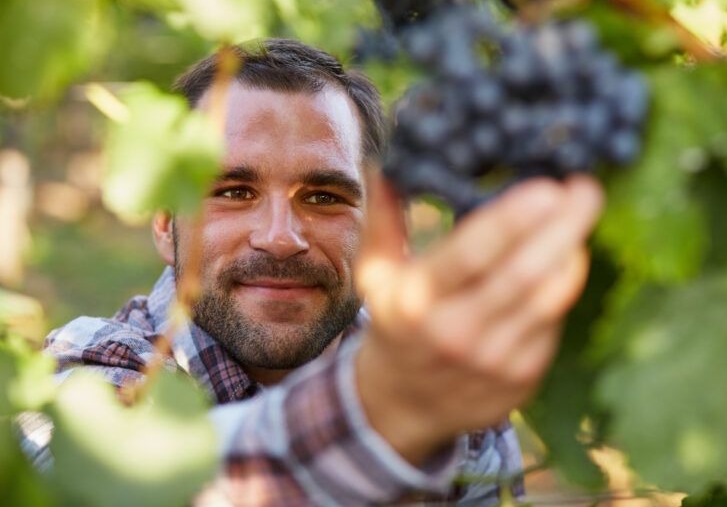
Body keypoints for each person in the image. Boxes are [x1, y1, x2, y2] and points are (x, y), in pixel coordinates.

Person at [19, 38, 603, 505]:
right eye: (234, 191)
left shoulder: (453, 402)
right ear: (166, 223)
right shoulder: (92, 379)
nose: (280, 236)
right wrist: (384, 411)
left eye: (324, 197)